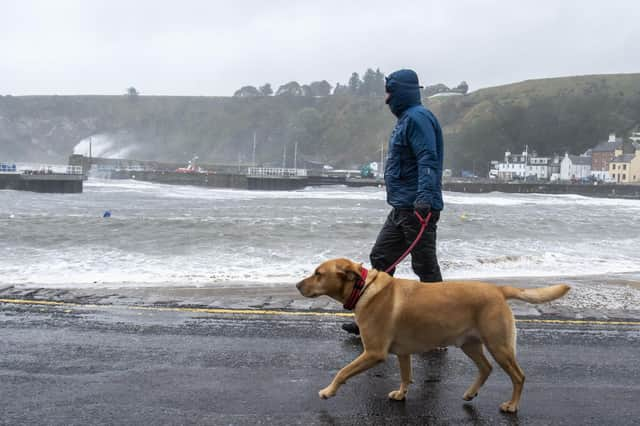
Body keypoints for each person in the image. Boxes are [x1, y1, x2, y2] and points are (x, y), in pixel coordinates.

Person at [343, 69, 444, 335]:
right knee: (381, 257)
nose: (386, 99)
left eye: (390, 92)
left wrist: (424, 198)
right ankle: (374, 318)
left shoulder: (417, 119)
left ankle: (440, 327)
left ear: (401, 92)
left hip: (417, 208)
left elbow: (427, 159)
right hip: (401, 207)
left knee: (425, 266)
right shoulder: (406, 119)